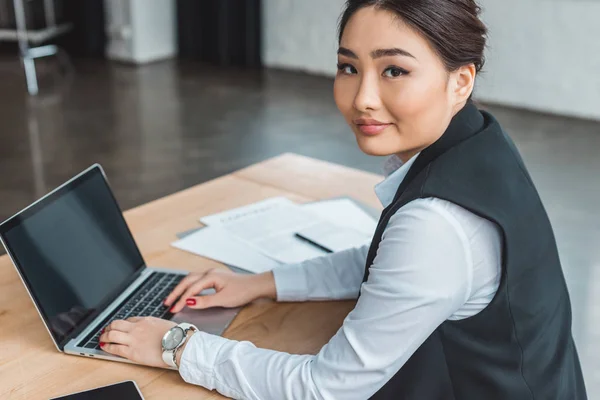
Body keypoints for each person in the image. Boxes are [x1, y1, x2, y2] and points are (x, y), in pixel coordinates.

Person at [99, 1, 587, 398]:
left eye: (394, 70)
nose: (362, 98)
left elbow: (325, 388)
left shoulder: (436, 225)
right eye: (348, 67)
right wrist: (262, 283)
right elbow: (391, 264)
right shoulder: (478, 142)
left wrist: (176, 346)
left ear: (460, 80)